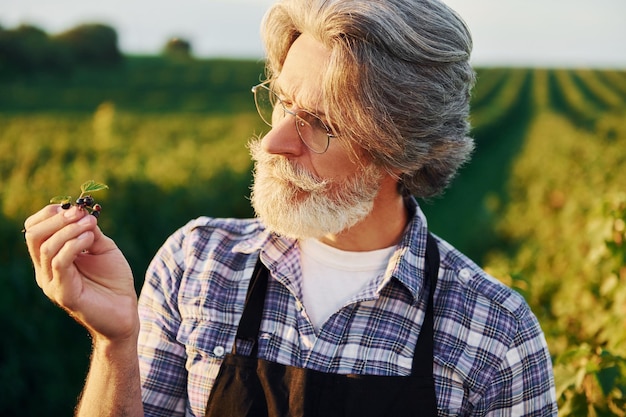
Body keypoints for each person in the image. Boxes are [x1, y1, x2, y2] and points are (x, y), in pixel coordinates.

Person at [24, 0, 557, 415]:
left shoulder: (495, 335)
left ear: (401, 149)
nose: (276, 140)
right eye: (282, 99)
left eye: (322, 124)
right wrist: (115, 341)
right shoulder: (197, 263)